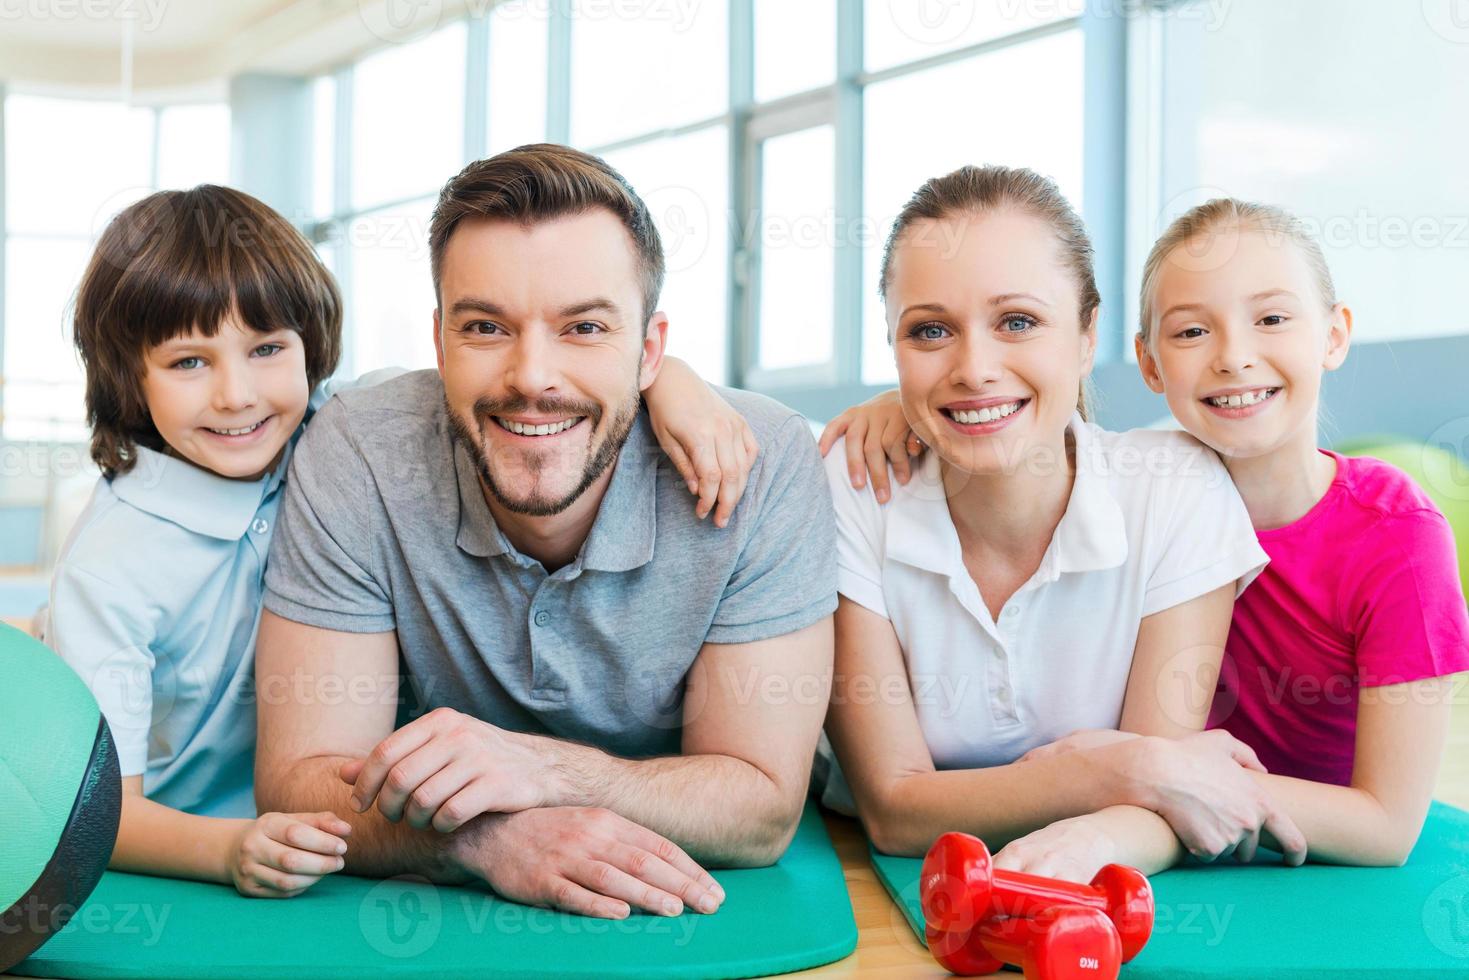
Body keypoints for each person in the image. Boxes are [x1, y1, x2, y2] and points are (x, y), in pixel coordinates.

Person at [46, 183, 759, 899]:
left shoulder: (331, 432)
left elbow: (512, 390)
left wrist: (673, 386)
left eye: (266, 349)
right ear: (128, 377)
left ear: (309, 349)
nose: (238, 395)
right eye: (188, 363)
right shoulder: (108, 570)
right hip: (191, 850)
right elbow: (96, 813)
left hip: (337, 837)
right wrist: (229, 848)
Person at [253, 144, 837, 920]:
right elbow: (299, 779)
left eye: (585, 328)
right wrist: (485, 841)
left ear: (650, 351)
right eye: (486, 327)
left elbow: (760, 809)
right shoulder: (360, 450)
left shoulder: (763, 462)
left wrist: (545, 770)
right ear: (438, 344)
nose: (531, 376)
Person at [815, 164, 1307, 883]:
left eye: (1017, 321)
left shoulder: (1175, 490)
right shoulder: (849, 486)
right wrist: (1117, 764)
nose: (974, 368)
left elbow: (1149, 804)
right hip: (855, 865)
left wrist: (1136, 773)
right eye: (929, 331)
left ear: (1085, 335)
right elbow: (893, 811)